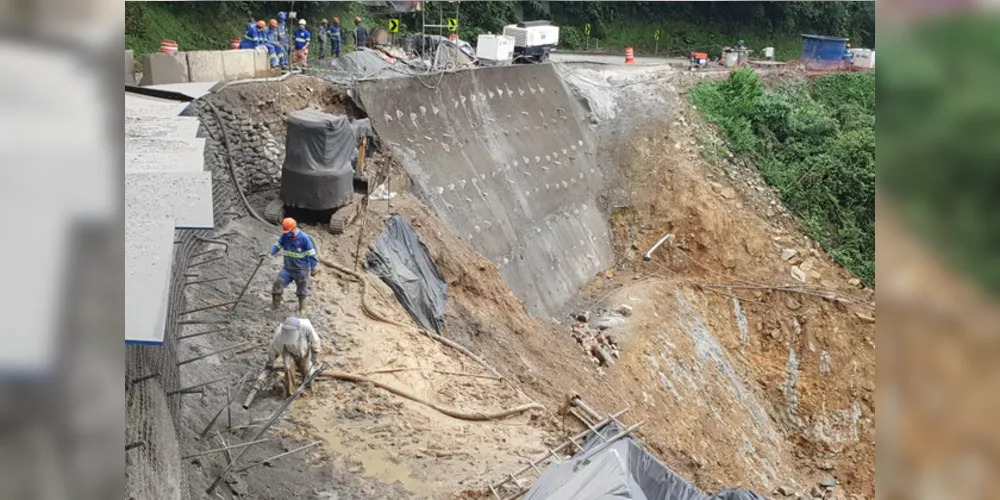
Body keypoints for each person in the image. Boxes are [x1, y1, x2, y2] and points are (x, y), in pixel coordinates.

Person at [269, 217, 318, 313]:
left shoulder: (304, 238)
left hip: (301, 270)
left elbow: (312, 253)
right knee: (277, 285)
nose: (287, 233)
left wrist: (313, 267)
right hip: (287, 269)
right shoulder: (285, 236)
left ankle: (302, 308)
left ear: (294, 228)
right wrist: (269, 253)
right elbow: (277, 246)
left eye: (288, 231)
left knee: (302, 290)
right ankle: (275, 306)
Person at [264, 316, 322, 396]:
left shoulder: (306, 328)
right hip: (288, 352)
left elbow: (315, 341)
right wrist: (270, 362)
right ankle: (291, 393)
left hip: (304, 351)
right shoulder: (280, 334)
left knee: (306, 369)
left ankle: (307, 386)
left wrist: (316, 356)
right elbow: (273, 349)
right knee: (288, 369)